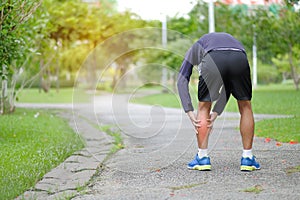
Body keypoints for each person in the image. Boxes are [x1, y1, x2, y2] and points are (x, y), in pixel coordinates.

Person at [177, 32, 260, 171]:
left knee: (203, 107)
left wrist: (189, 111)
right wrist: (215, 113)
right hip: (239, 57)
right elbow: (229, 86)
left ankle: (202, 157)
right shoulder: (231, 41)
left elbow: (182, 79)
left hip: (213, 57)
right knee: (245, 106)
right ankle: (248, 158)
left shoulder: (195, 48)